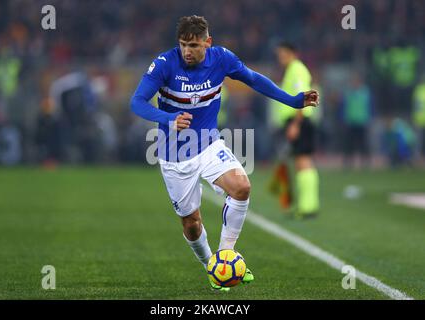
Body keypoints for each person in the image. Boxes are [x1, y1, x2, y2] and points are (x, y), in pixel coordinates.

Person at [130, 16, 319, 292]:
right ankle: (211, 267)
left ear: (208, 42)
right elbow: (136, 102)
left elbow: (254, 79)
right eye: (183, 45)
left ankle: (226, 256)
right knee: (192, 225)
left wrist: (292, 100)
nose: (187, 51)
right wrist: (168, 118)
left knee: (241, 187)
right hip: (174, 156)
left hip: (208, 144)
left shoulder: (222, 59)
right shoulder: (164, 64)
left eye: (193, 45)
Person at [269, 42, 320, 219]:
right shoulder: (293, 69)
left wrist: (295, 124)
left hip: (300, 121)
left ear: (293, 53)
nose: (281, 58)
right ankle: (307, 205)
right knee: (301, 162)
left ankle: (308, 207)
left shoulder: (297, 69)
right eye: (279, 54)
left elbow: (303, 98)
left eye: (283, 54)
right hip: (298, 121)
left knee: (303, 161)